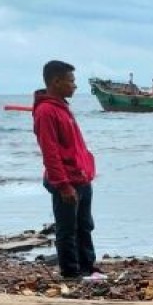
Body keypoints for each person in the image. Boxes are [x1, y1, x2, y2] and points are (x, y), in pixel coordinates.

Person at [33, 60, 103, 280]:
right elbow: (50, 152)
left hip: (81, 177)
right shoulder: (46, 111)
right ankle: (71, 272)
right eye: (71, 81)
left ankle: (88, 267)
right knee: (67, 229)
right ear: (56, 81)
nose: (75, 86)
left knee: (85, 225)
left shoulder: (62, 107)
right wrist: (63, 185)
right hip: (66, 181)